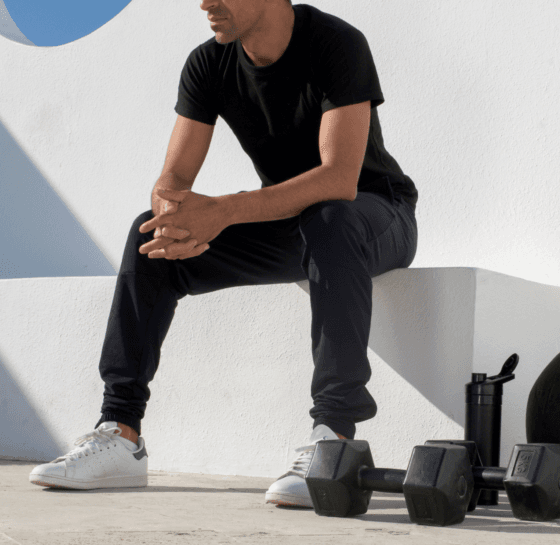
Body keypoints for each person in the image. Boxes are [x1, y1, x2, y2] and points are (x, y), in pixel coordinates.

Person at [28, 0, 418, 509]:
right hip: (292, 225)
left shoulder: (335, 43)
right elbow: (172, 180)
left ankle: (334, 438)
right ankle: (120, 433)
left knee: (331, 219)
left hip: (375, 216)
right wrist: (173, 213)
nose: (206, 2)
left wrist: (226, 210)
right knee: (149, 237)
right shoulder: (209, 62)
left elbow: (339, 179)